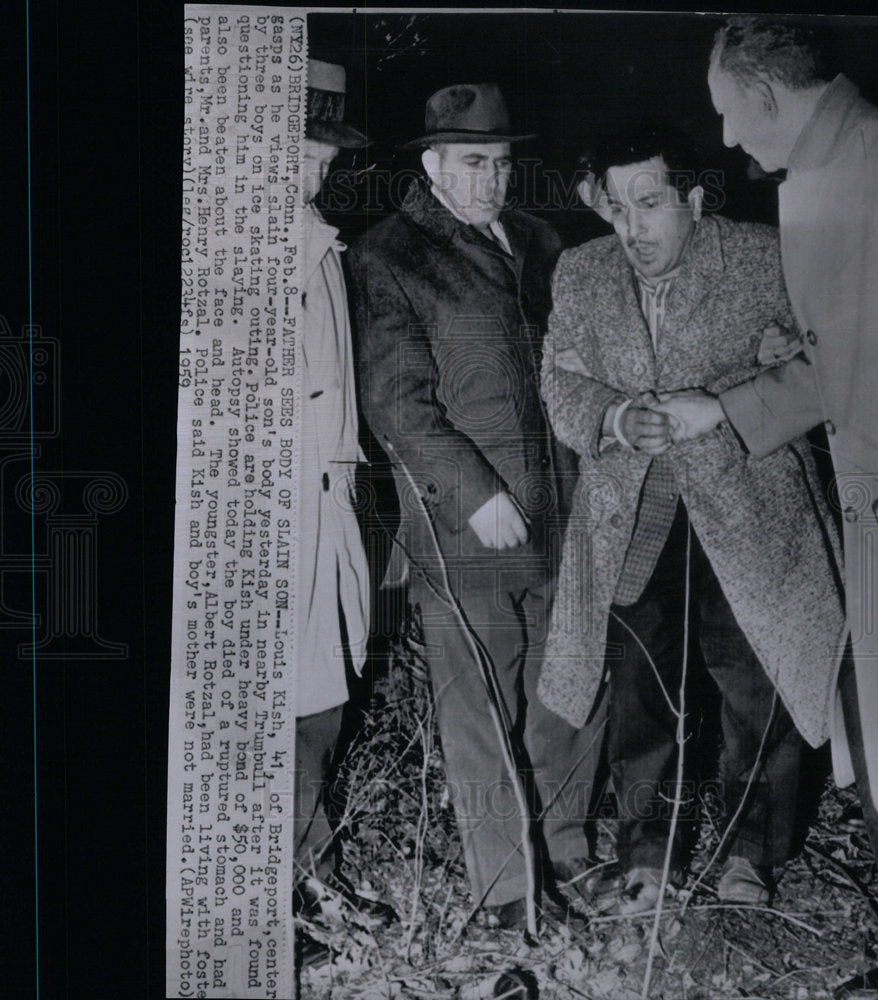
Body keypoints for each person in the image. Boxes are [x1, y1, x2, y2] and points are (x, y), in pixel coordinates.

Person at [657, 18, 878, 999]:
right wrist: (724, 407)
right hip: (877, 508)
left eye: (731, 115)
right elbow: (840, 356)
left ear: (767, 96)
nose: (729, 140)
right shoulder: (818, 174)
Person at [535, 126, 845, 913]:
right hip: (636, 513)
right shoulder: (581, 273)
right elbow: (558, 386)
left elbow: (832, 364)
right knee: (642, 689)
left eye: (651, 203)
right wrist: (610, 418)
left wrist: (727, 404)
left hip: (751, 513)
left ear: (694, 200)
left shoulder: (762, 256)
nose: (634, 228)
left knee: (758, 685)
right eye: (619, 207)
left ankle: (752, 853)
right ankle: (651, 855)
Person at [348, 83, 606, 929]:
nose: (492, 178)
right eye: (472, 162)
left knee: (568, 682)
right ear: (432, 164)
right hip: (470, 524)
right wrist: (474, 490)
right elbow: (396, 400)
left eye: (499, 162)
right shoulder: (392, 256)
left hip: (565, 503)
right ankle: (508, 889)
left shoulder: (540, 240)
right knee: (480, 702)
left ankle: (566, 850)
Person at [293, 57, 372, 950]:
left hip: (323, 506)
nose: (318, 172)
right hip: (265, 521)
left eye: (325, 152)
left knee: (320, 700)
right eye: (301, 152)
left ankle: (312, 870)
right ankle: (274, 892)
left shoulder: (317, 239)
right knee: (283, 704)